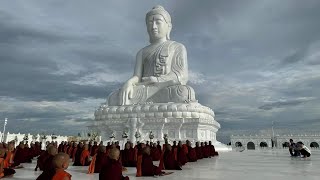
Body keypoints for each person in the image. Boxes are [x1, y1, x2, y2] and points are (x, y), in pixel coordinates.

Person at [107, 5, 196, 106]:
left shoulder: (177, 47)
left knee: (183, 92)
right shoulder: (142, 52)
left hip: (165, 88)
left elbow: (182, 76)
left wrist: (158, 80)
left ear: (168, 26)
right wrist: (129, 83)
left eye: (158, 22)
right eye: (150, 23)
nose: (153, 26)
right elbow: (137, 76)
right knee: (114, 97)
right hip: (144, 90)